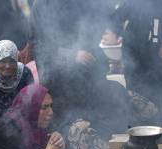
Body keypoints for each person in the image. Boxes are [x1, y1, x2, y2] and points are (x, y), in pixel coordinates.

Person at [31, 0, 130, 138]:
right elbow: (40, 44)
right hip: (59, 80)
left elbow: (108, 14)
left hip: (86, 74)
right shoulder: (42, 5)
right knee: (70, 126)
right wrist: (71, 54)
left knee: (99, 116)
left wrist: (113, 31)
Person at [0, 40, 34, 129]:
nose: (7, 66)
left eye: (12, 61)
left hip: (20, 127)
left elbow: (32, 100)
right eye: (2, 61)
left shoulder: (24, 72)